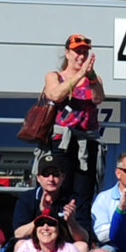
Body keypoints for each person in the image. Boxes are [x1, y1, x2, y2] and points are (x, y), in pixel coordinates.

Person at [39, 35, 103, 187]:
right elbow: (55, 95)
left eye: (85, 52)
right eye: (77, 52)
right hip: (62, 141)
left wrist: (90, 76)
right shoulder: (54, 76)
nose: (81, 56)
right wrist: (79, 75)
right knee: (61, 188)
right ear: (67, 53)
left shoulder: (94, 80)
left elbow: (98, 98)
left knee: (84, 190)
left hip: (87, 141)